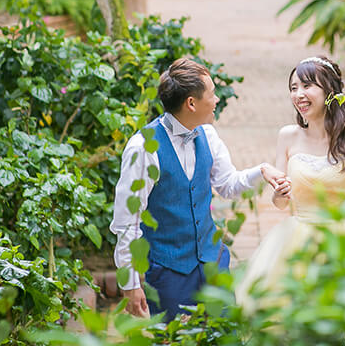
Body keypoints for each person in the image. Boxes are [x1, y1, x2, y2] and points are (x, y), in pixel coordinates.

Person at [109, 57, 288, 320]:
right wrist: (131, 284)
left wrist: (262, 170)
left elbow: (227, 184)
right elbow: (127, 223)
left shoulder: (208, 134)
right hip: (168, 274)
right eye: (212, 94)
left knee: (226, 335)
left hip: (213, 263)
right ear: (191, 103)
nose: (216, 100)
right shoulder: (142, 148)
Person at [235, 55, 345, 305]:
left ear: (330, 89)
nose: (298, 94)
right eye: (293, 88)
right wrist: (279, 193)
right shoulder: (287, 136)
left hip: (343, 237)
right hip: (298, 238)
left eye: (307, 86)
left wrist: (342, 250)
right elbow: (280, 204)